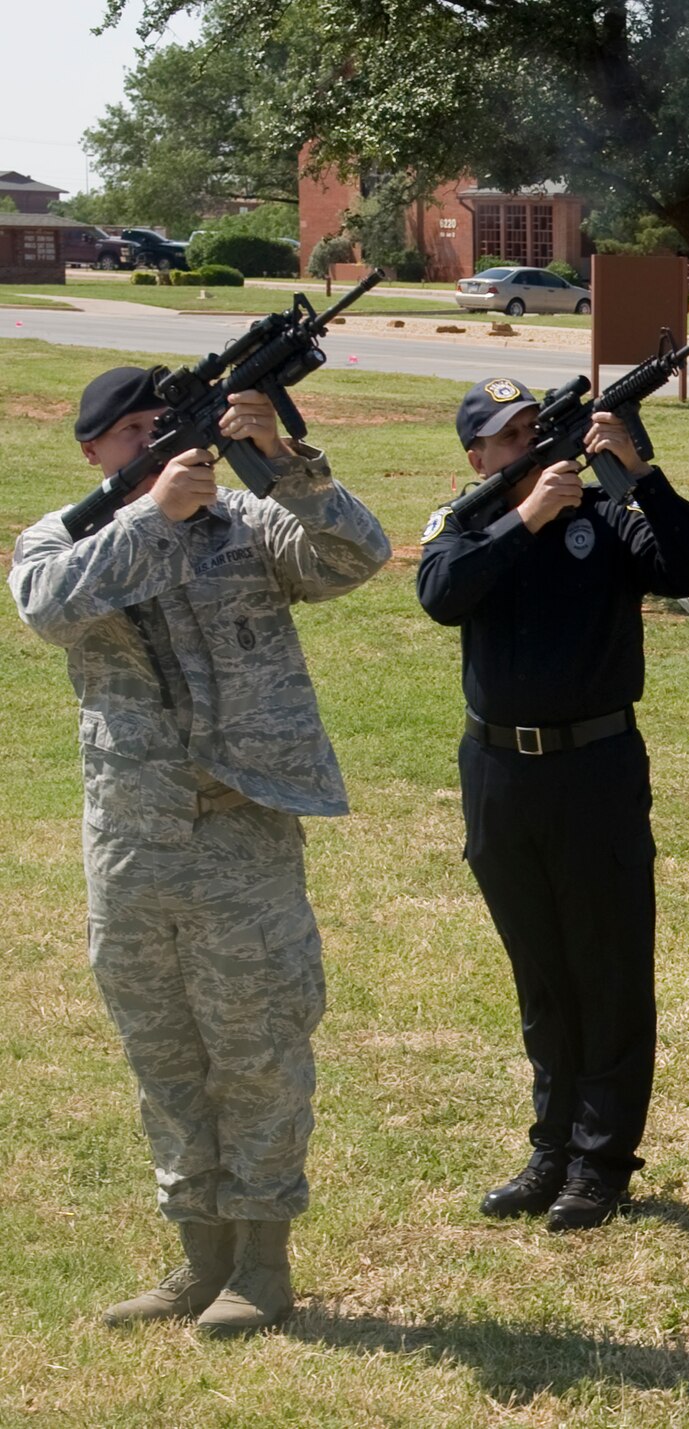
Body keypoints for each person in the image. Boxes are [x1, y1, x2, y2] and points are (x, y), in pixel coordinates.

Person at [9, 366, 390, 1333]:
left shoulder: (248, 527)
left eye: (163, 427)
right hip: (132, 840)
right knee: (165, 1054)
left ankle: (262, 1262)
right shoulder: (62, 535)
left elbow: (357, 557)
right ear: (94, 450)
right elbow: (48, 609)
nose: (153, 445)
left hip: (240, 831)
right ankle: (196, 1256)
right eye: (131, 432)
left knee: (258, 1045)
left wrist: (285, 465)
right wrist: (150, 518)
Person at [415, 377, 689, 1232]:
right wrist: (524, 521)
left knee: (608, 967)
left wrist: (641, 473)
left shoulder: (608, 513)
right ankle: (550, 1145)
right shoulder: (466, 520)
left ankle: (602, 1158)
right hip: (500, 774)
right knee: (542, 971)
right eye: (508, 439)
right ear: (477, 456)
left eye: (533, 430)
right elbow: (441, 596)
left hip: (595, 766)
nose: (527, 447)